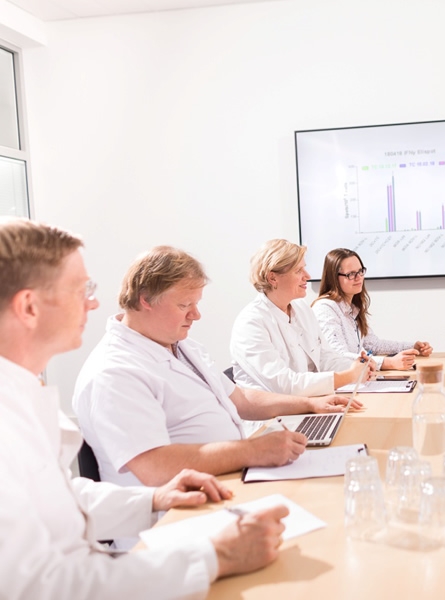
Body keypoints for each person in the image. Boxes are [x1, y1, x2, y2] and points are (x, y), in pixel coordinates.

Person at [0, 218, 288, 599]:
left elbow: (59, 498)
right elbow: (40, 585)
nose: (94, 301)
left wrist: (153, 499)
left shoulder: (20, 389)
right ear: (29, 307)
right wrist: (215, 556)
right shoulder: (93, 378)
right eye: (80, 289)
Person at [74, 246, 362, 490]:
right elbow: (154, 466)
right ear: (145, 300)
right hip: (173, 519)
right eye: (185, 304)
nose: (196, 315)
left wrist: (309, 404)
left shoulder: (181, 346)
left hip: (227, 481)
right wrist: (252, 451)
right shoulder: (114, 372)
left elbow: (241, 400)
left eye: (196, 303)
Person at [230, 239, 376, 396]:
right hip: (272, 417)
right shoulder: (251, 323)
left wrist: (357, 366)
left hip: (307, 404)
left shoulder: (302, 309)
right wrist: (348, 376)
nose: (307, 276)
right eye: (298, 271)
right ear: (273, 278)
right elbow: (284, 385)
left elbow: (325, 358)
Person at [311, 248, 433, 371]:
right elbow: (338, 357)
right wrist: (387, 362)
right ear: (334, 278)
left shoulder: (352, 308)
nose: (359, 278)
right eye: (351, 274)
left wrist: (412, 347)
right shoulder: (325, 309)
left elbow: (372, 345)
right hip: (340, 385)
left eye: (360, 271)